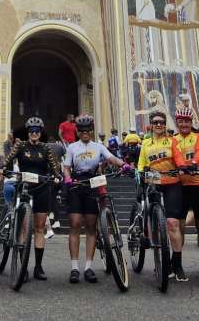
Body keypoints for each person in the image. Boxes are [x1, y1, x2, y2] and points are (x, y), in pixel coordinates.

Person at [61, 114, 130, 284]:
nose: (85, 133)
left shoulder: (98, 146)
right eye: (82, 130)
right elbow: (66, 167)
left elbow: (110, 158)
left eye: (88, 130)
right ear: (77, 131)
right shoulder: (72, 148)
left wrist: (123, 164)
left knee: (91, 226)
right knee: (75, 223)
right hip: (76, 183)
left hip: (92, 182)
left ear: (92, 131)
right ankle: (75, 267)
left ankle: (89, 267)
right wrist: (68, 178)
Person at [0, 117, 62, 280]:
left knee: (40, 227)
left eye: (37, 131)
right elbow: (7, 160)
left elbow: (54, 166)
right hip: (25, 187)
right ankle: (23, 267)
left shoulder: (46, 147)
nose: (34, 133)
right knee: (24, 227)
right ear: (28, 133)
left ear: (41, 133)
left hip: (42, 187)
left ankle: (38, 267)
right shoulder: (20, 145)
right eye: (32, 131)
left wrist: (57, 176)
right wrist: (3, 169)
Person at [138, 109, 189, 281]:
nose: (159, 125)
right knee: (153, 219)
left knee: (173, 223)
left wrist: (182, 166)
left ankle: (178, 264)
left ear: (165, 125)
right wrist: (140, 180)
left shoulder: (172, 141)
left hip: (172, 183)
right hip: (153, 183)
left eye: (161, 122)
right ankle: (155, 247)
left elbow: (179, 158)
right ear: (151, 125)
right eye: (156, 122)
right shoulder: (145, 143)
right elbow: (141, 164)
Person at [172, 110, 199, 280]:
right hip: (181, 186)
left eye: (187, 121)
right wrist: (183, 165)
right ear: (177, 123)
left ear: (191, 122)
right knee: (180, 227)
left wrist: (194, 163)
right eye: (181, 122)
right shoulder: (173, 139)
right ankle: (178, 264)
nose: (184, 124)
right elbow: (175, 155)